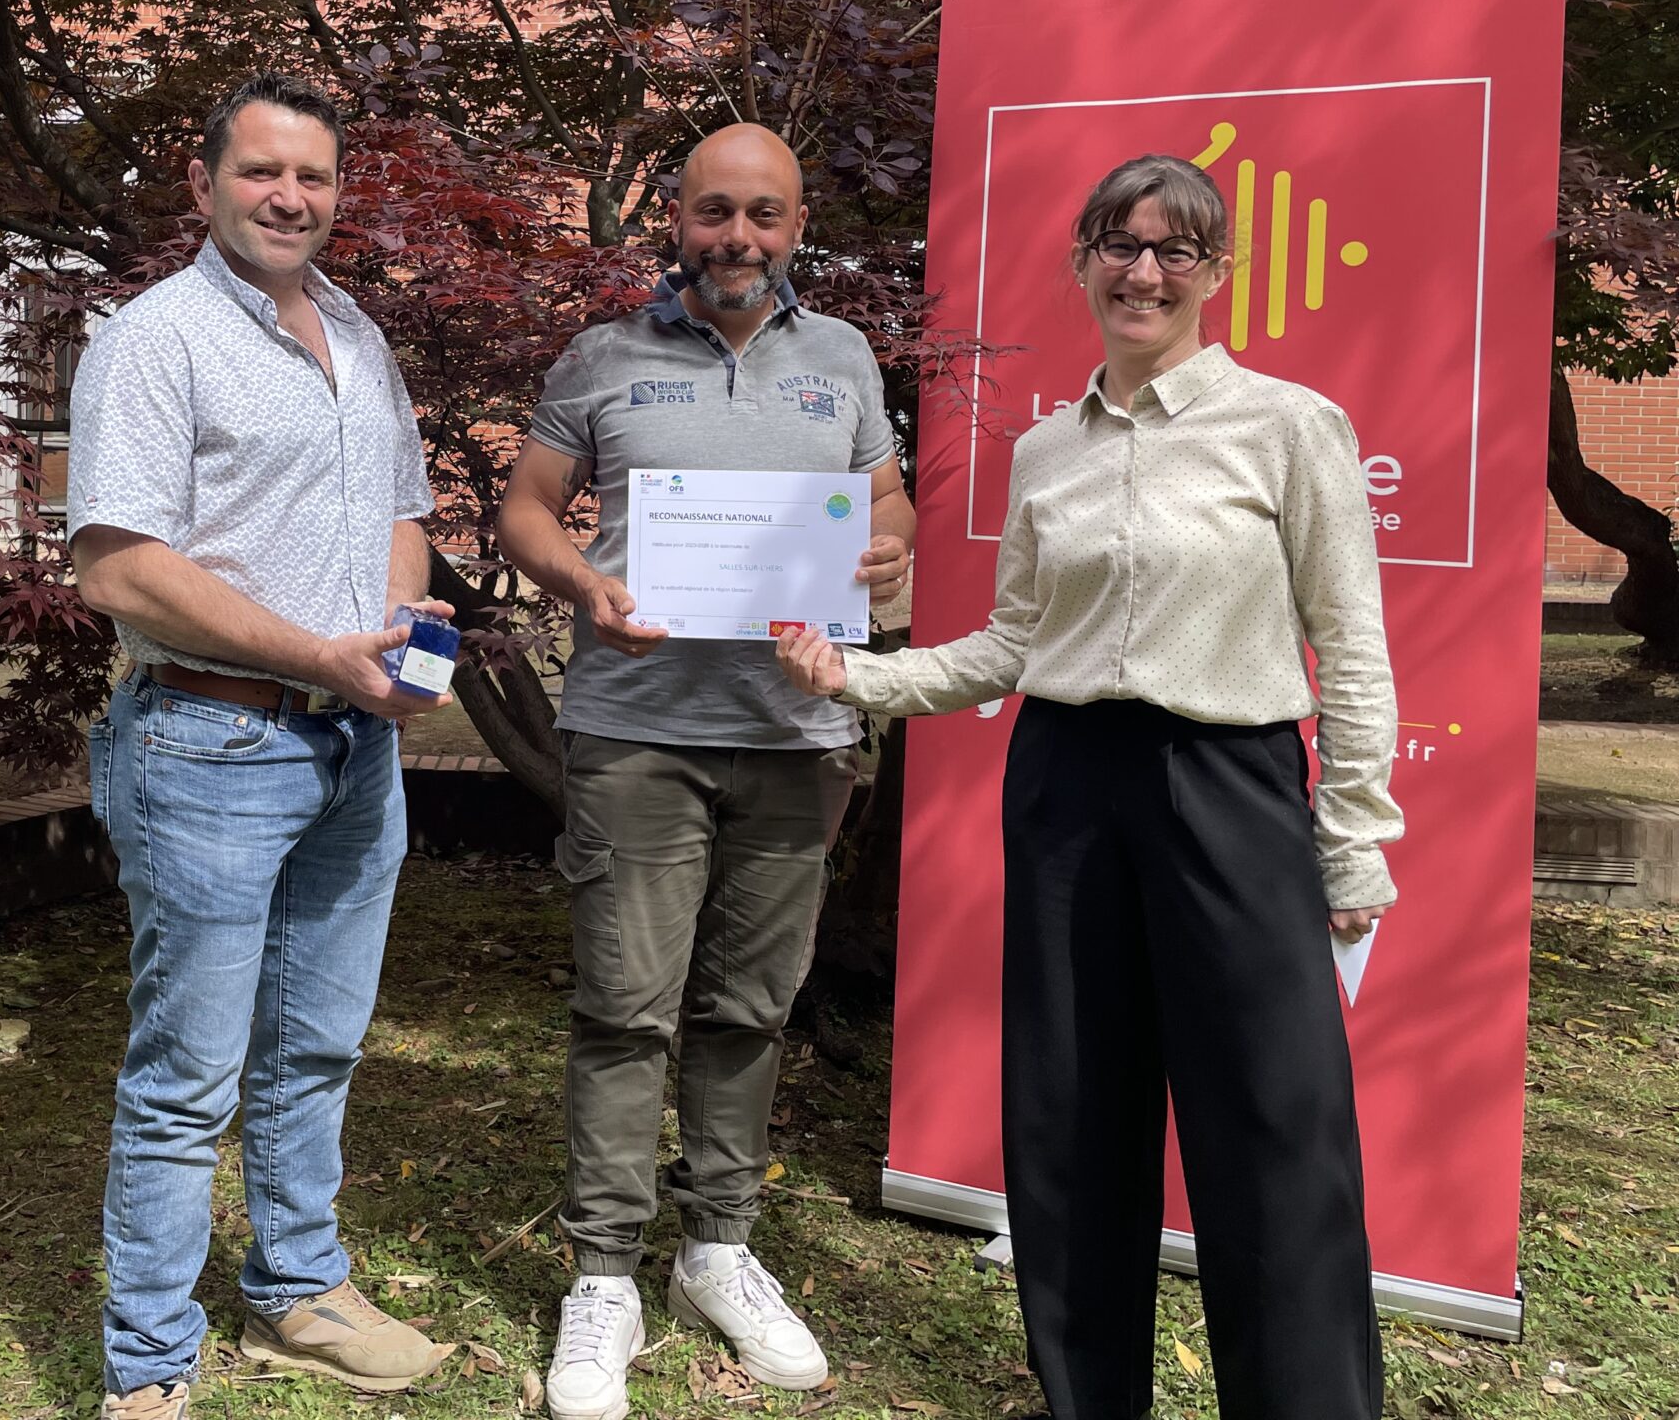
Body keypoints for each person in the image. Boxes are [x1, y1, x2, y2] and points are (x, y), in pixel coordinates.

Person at [778, 152, 1399, 1420]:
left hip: (1228, 785)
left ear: (1217, 272)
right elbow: (1013, 643)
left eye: (1175, 249)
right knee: (1071, 1119)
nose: (1144, 271)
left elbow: (1350, 647)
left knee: (1274, 1125)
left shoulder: (1289, 426)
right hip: (1065, 786)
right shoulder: (1048, 449)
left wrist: (1351, 843)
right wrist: (856, 676)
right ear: (1081, 263)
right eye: (1120, 244)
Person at [497, 123, 916, 1420]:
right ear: (674, 219)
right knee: (626, 1009)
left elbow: (886, 504)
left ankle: (718, 1251)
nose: (738, 237)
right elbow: (524, 509)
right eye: (715, 211)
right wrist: (584, 583)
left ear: (797, 227)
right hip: (638, 732)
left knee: (749, 1008)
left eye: (764, 215)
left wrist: (884, 551)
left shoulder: (841, 359)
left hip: (796, 737)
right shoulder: (603, 356)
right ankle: (605, 1273)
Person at [68, 73, 457, 1420]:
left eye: (314, 177)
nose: (289, 197)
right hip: (209, 743)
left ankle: (298, 1286)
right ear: (204, 183)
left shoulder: (356, 332)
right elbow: (117, 566)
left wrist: (393, 634)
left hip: (354, 750)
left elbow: (402, 510)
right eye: (261, 171)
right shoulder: (155, 340)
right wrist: (316, 654)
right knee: (187, 1079)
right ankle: (147, 1364)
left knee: (318, 1045)